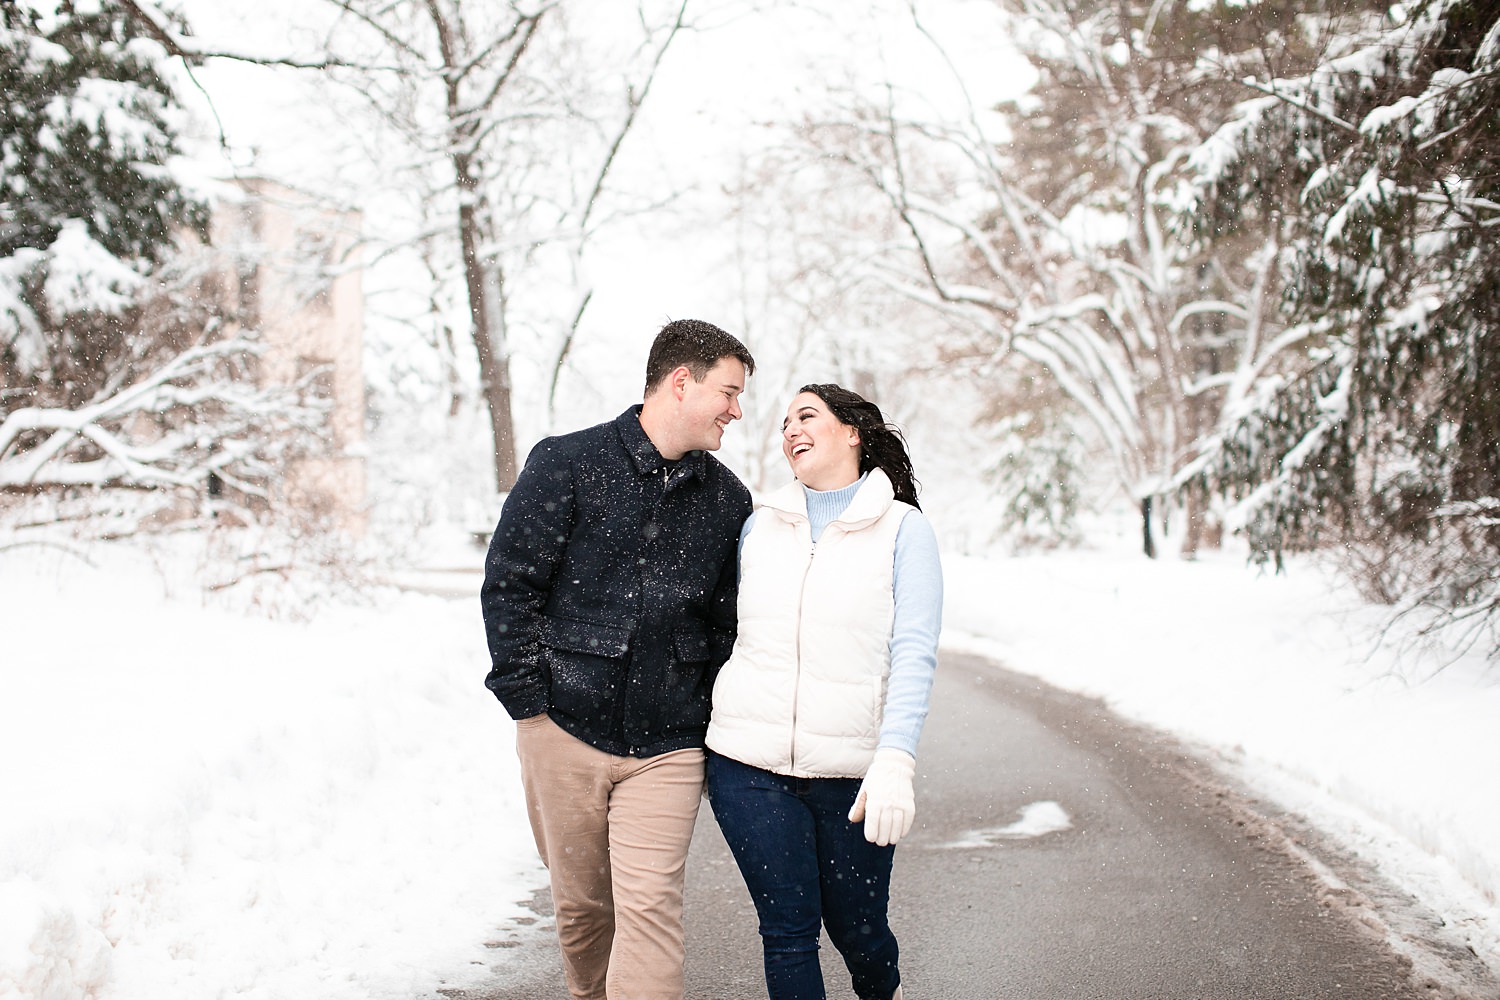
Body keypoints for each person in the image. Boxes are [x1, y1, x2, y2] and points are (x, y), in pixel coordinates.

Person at [480, 319, 756, 1000]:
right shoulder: (566, 464)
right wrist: (530, 703)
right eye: (729, 391)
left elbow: (729, 625)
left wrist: (700, 705)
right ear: (681, 381)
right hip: (562, 729)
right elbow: (511, 583)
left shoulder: (727, 500)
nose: (737, 410)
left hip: (668, 745)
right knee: (584, 912)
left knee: (651, 910)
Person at [705, 383, 942, 1000]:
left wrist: (894, 759)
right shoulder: (760, 525)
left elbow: (913, 652)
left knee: (858, 928)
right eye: (784, 423)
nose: (790, 431)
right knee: (786, 930)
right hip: (746, 762)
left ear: (853, 433)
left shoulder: (902, 530)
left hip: (850, 772)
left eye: (805, 416)